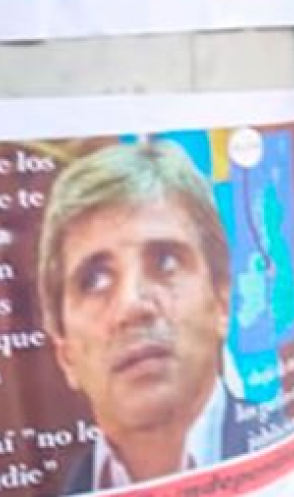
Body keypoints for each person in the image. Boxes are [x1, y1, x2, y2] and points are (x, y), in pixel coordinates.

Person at [38, 139, 248, 492]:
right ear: (66, 355)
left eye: (165, 262)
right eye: (95, 280)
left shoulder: (292, 443)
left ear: (222, 300)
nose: (132, 306)